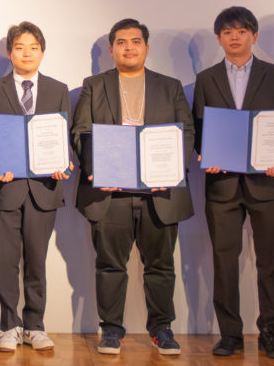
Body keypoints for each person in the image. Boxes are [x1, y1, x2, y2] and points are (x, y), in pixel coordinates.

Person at [71, 18, 194, 357]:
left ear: (146, 48)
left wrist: (171, 170)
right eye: (122, 42)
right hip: (111, 193)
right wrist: (98, 169)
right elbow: (81, 132)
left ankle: (162, 329)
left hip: (159, 193)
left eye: (136, 41)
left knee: (161, 265)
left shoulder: (170, 86)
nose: (129, 47)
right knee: (110, 265)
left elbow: (186, 132)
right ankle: (111, 330)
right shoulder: (94, 85)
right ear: (112, 50)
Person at [191, 7, 274, 359]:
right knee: (224, 262)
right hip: (222, 185)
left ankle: (271, 334)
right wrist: (205, 153)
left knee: (271, 262)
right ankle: (230, 335)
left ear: (254, 36)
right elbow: (198, 128)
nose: (234, 37)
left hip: (268, 183)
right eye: (227, 32)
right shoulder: (206, 79)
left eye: (242, 31)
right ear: (219, 39)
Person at [0, 21, 72, 353]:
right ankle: (8, 325)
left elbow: (62, 137)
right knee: (6, 261)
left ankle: (35, 326)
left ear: (42, 52)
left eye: (33, 47)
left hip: (44, 189)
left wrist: (64, 162)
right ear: (9, 53)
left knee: (36, 260)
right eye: (20, 47)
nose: (27, 53)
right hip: (5, 189)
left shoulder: (59, 90)